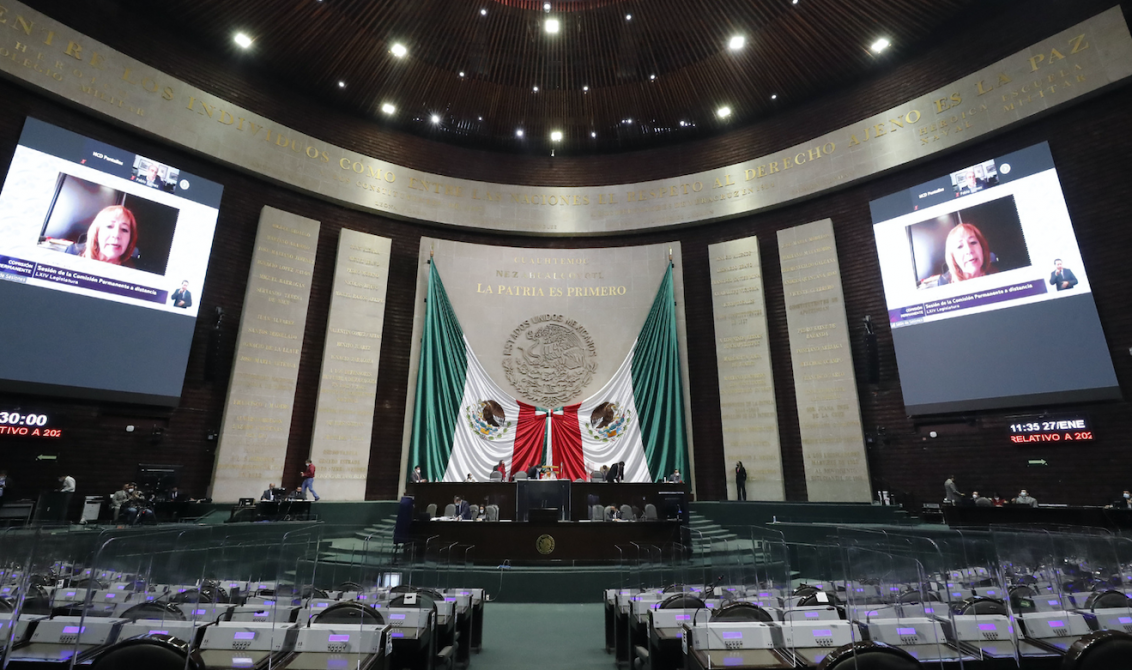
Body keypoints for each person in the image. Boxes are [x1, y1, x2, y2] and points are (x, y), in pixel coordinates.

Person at [66, 206, 138, 267]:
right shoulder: (73, 253)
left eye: (124, 229)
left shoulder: (134, 270)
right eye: (109, 226)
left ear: (130, 238)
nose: (116, 235)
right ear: (97, 232)